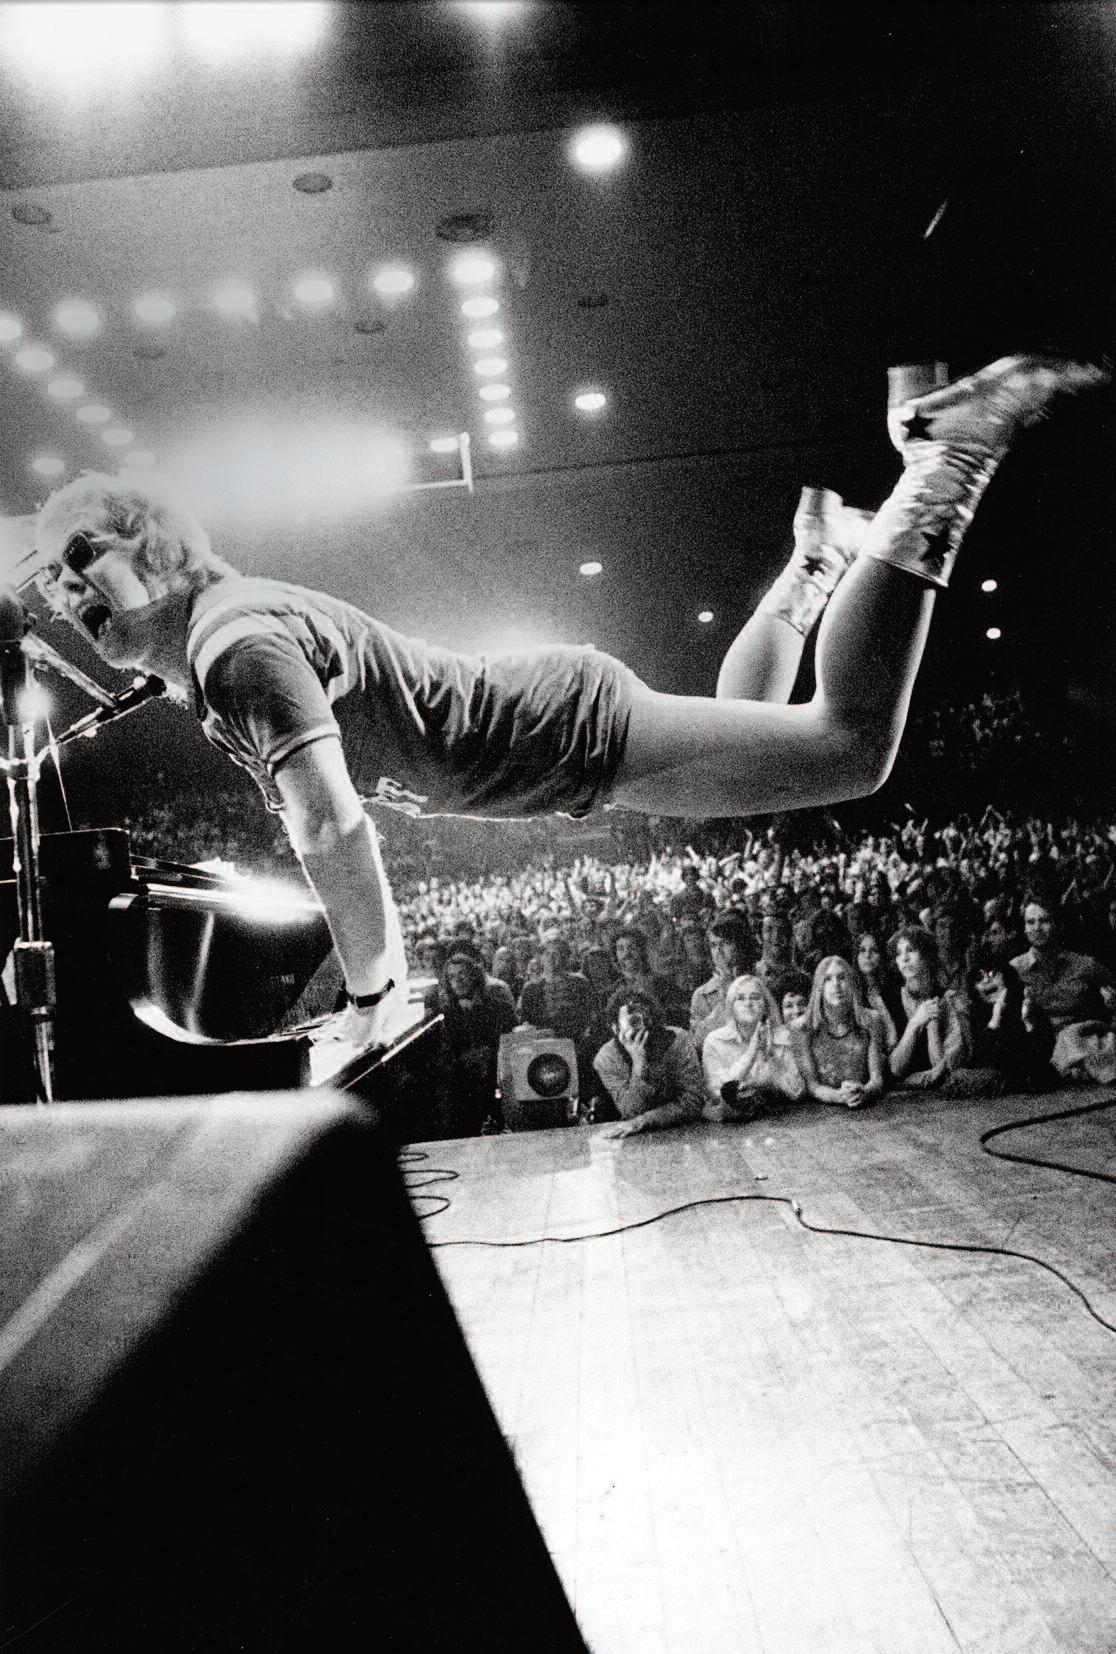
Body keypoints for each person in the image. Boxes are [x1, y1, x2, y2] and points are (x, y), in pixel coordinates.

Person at [32, 354, 1104, 1050]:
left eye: (87, 553)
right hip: (556, 743)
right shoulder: (217, 648)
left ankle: (947, 457)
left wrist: (373, 999)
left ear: (157, 546)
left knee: (849, 749)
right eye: (55, 577)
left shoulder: (235, 647)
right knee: (759, 719)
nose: (71, 589)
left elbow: (332, 827)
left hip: (559, 731)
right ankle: (817, 558)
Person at [591, 987, 706, 1138]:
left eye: (642, 1018)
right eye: (631, 1020)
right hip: (635, 1136)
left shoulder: (678, 1040)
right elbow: (631, 1111)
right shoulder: (607, 1058)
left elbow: (693, 1100)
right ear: (615, 1027)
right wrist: (638, 1063)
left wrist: (644, 1120)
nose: (638, 1024)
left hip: (685, 1130)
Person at [701, 973, 805, 1122]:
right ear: (731, 1007)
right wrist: (751, 1052)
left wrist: (771, 1057)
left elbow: (797, 1093)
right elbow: (717, 1093)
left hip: (781, 1119)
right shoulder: (715, 1041)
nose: (748, 1003)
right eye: (740, 998)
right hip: (733, 1124)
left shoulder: (782, 1037)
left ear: (766, 1006)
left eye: (755, 997)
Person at [1010, 894, 1116, 1031]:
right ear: (1024, 929)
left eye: (1044, 920)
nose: (1037, 928)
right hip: (1037, 1040)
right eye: (1030, 922)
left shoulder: (1085, 965)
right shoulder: (1015, 969)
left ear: (1057, 925)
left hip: (1080, 1039)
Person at [795, 955, 886, 1109]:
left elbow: (877, 1080)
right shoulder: (804, 1027)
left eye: (842, 978)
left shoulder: (871, 1020)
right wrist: (839, 1096)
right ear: (819, 987)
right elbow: (812, 1085)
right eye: (828, 979)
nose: (836, 984)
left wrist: (864, 1091)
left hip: (864, 1105)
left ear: (851, 984)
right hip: (821, 1111)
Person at [888, 924, 972, 1091]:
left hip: (944, 1100)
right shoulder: (889, 1000)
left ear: (927, 955)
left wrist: (932, 1025)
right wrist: (915, 1023)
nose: (904, 958)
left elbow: (944, 1072)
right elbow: (895, 1070)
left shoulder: (949, 1001)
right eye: (898, 953)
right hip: (900, 1101)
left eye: (911, 950)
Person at [967, 946, 1054, 1092]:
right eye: (979, 978)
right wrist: (995, 1019)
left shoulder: (1027, 1005)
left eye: (993, 974)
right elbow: (982, 1060)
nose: (986, 980)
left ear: (1006, 977)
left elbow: (1042, 1055)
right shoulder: (975, 1015)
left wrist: (1028, 1023)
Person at [689, 912, 755, 1055]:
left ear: (740, 945)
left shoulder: (759, 981)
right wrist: (725, 996)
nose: (718, 952)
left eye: (725, 943)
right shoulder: (702, 995)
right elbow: (699, 1043)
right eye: (713, 945)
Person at [853, 929, 902, 1051]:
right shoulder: (853, 996)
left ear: (882, 956)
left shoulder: (895, 990)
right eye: (862, 950)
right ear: (856, 957)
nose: (867, 955)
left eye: (874, 950)